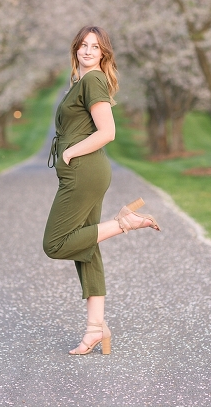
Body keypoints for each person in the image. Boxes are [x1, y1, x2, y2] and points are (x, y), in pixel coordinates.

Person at [43, 25, 160, 356]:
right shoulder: (80, 81)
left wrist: (69, 153)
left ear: (104, 53)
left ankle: (125, 222)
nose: (88, 50)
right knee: (88, 246)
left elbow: (107, 132)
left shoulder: (92, 80)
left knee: (54, 244)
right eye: (83, 45)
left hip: (84, 171)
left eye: (95, 46)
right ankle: (96, 328)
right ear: (75, 49)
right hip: (84, 173)